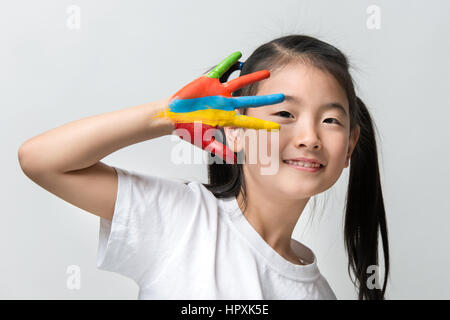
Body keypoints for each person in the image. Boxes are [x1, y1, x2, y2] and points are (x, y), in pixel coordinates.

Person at [18, 34, 389, 300]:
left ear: (350, 148)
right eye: (285, 113)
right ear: (235, 131)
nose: (310, 136)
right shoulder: (183, 219)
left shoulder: (318, 292)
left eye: (330, 121)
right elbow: (41, 161)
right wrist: (165, 116)